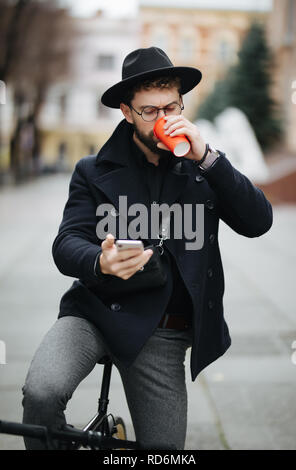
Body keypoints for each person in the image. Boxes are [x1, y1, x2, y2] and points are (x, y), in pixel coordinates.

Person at [21, 47, 273, 450]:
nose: (163, 119)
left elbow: (259, 221)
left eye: (171, 107)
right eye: (149, 111)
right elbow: (65, 243)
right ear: (126, 113)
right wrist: (100, 262)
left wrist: (209, 159)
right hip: (94, 314)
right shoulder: (93, 169)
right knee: (41, 393)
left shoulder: (203, 169)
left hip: (163, 333)